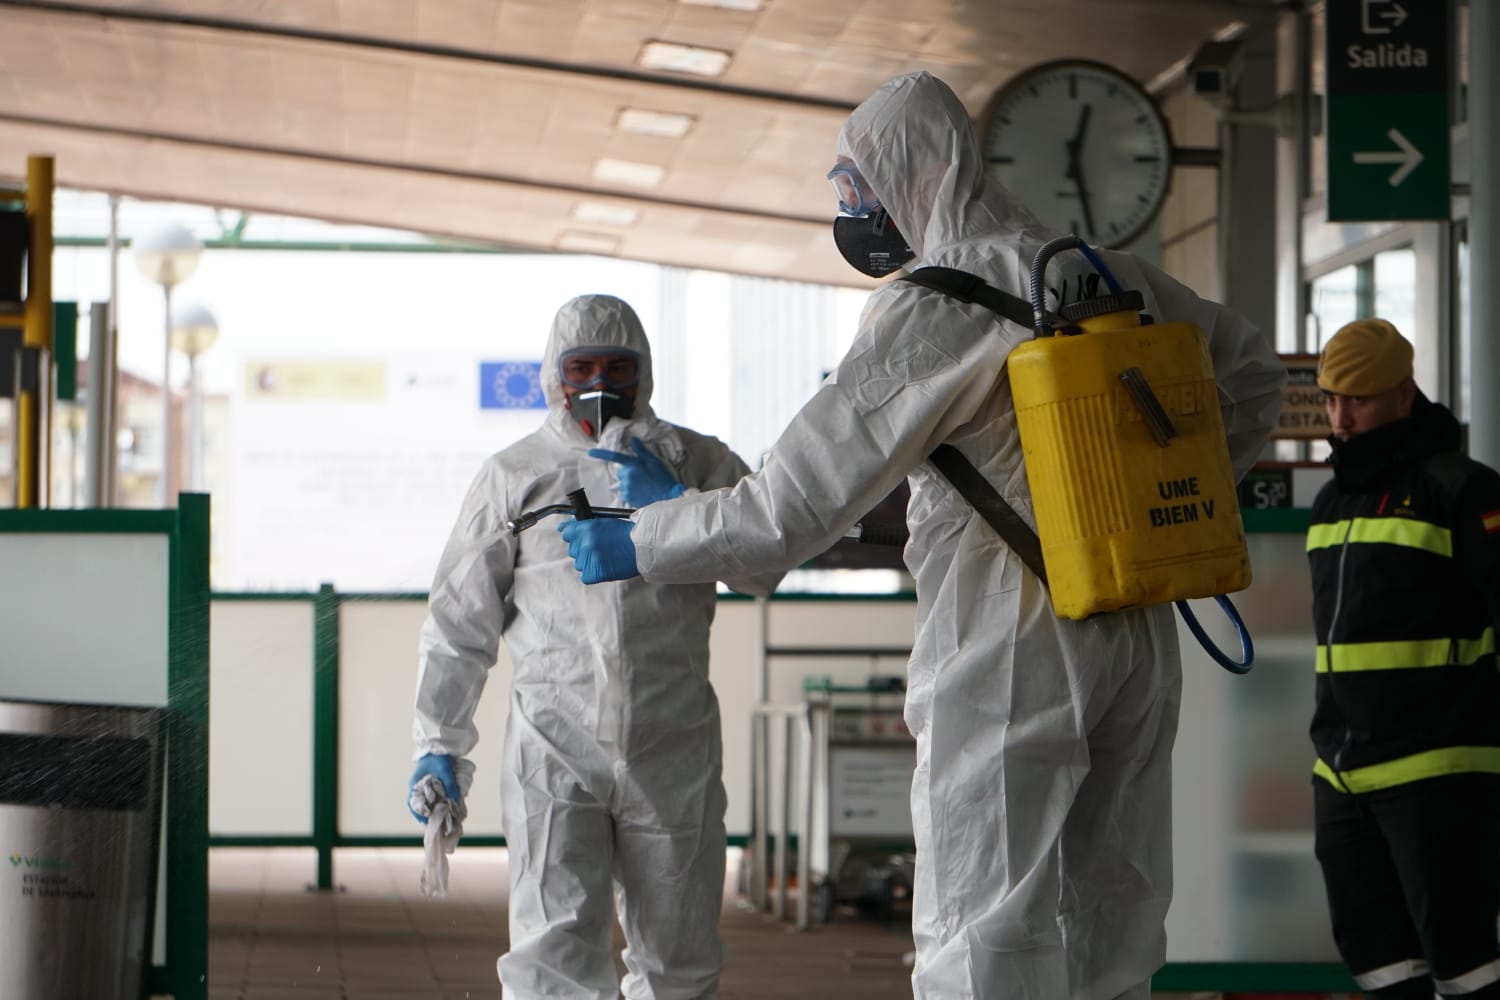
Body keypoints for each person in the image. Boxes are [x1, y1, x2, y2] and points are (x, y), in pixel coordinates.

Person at [560, 71, 1285, 999]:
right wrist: (1170, 496)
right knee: (1116, 913)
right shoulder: (1107, 272)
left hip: (1011, 633)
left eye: (854, 184)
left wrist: (647, 538)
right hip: (1135, 618)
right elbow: (1255, 373)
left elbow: (790, 507)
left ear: (911, 174)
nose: (848, 208)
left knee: (982, 918)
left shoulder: (937, 306)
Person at [409, 293, 782, 1000]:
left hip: (672, 744)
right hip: (554, 743)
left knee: (680, 953)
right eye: (582, 367)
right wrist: (439, 740)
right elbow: (461, 618)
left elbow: (765, 570)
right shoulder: (514, 476)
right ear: (554, 375)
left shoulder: (700, 463)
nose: (600, 384)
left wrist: (683, 502)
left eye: (619, 366)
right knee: (553, 951)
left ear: (646, 372)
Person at [1307, 317, 1500, 1000]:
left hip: (1438, 770)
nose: (1340, 416)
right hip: (1342, 775)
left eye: (1356, 398)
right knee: (1380, 963)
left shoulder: (1462, 491)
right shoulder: (1332, 502)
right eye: (1331, 399)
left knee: (1466, 962)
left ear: (1403, 392)